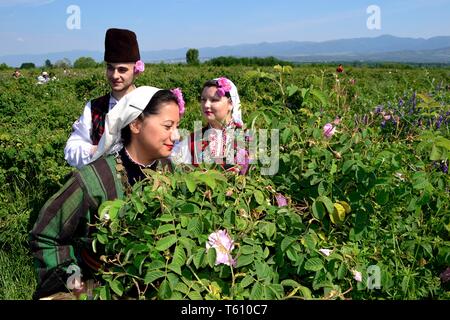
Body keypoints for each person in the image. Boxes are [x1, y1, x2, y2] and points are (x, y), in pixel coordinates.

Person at [30, 86, 184, 300]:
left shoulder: (173, 173)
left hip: (158, 283)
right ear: (136, 124)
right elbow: (45, 235)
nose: (176, 135)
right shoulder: (93, 180)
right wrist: (75, 285)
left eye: (177, 126)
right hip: (100, 285)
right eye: (168, 126)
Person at [64, 28, 145, 169]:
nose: (114, 75)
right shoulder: (94, 107)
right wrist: (97, 150)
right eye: (110, 68)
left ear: (136, 70)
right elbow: (71, 150)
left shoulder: (149, 103)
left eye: (122, 69)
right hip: (106, 186)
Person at [171, 77, 249, 174]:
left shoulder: (247, 138)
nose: (206, 105)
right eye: (203, 100)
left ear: (230, 104)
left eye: (214, 100)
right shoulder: (192, 141)